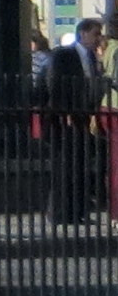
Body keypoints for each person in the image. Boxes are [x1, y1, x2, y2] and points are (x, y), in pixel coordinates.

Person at [41, 18, 107, 224]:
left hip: (84, 119)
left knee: (80, 166)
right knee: (65, 166)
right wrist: (64, 112)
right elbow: (55, 83)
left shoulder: (93, 58)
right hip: (64, 119)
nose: (99, 39)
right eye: (96, 34)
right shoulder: (64, 54)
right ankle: (60, 212)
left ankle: (77, 211)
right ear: (83, 34)